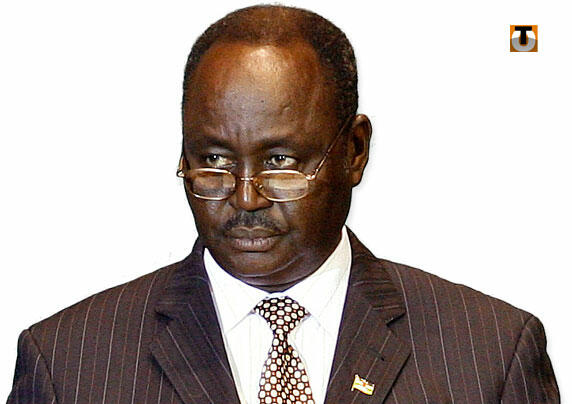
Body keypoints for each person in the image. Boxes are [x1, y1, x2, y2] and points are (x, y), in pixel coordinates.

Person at [7, 5, 559, 404]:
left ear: (355, 151)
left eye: (280, 162)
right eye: (214, 161)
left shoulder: (489, 355)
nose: (245, 198)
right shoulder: (68, 363)